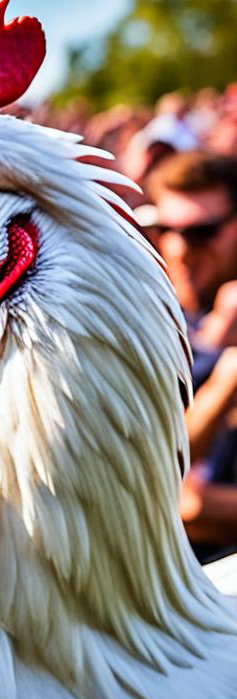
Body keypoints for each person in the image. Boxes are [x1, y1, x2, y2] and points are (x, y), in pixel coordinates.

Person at [145, 152, 237, 559]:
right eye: (167, 229)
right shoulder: (144, 318)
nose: (180, 249)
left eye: (202, 232)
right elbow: (157, 476)